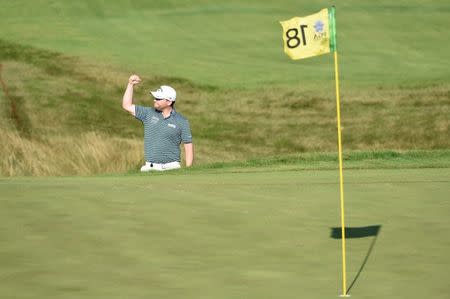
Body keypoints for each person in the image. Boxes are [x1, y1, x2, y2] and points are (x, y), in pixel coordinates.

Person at [122, 74, 194, 171]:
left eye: (158, 99)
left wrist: (188, 170)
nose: (154, 100)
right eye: (155, 97)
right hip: (149, 167)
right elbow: (126, 105)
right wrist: (130, 85)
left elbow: (188, 145)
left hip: (172, 168)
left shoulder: (182, 121)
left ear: (169, 102)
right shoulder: (148, 113)